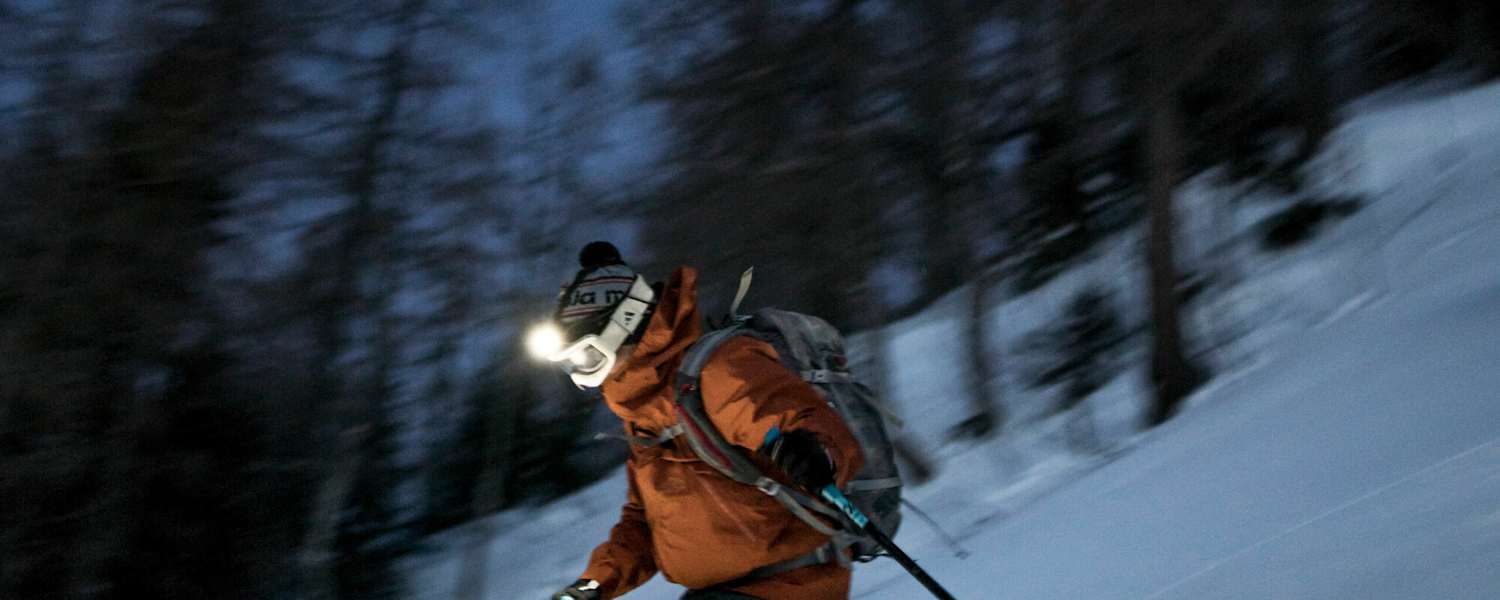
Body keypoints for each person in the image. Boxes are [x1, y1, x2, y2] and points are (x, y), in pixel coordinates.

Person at [535, 242, 865, 600]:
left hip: (789, 582)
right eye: (568, 366)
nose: (581, 378)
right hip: (721, 593)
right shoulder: (644, 417)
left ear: (626, 322)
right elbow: (646, 523)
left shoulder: (719, 372)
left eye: (586, 358)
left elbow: (823, 433)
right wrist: (595, 584)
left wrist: (813, 454)